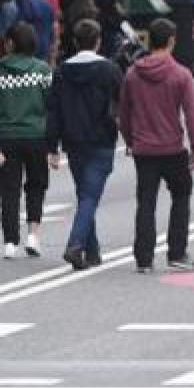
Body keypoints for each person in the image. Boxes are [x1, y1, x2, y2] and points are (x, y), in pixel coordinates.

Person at [118, 18, 194, 273]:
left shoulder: (133, 75)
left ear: (149, 41)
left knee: (146, 201)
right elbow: (191, 114)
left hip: (143, 149)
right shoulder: (181, 75)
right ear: (171, 41)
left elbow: (124, 114)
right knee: (181, 193)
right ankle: (177, 252)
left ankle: (144, 258)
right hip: (172, 148)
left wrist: (130, 141)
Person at [45, 18, 124, 269]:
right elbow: (122, 105)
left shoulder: (61, 71)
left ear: (75, 42)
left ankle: (92, 252)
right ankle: (75, 245)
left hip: (73, 141)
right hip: (101, 140)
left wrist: (51, 146)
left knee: (85, 194)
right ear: (98, 42)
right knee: (90, 195)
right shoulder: (110, 70)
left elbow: (54, 111)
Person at [0, 22, 54, 259]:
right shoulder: (42, 70)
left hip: (6, 138)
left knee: (9, 190)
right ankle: (33, 235)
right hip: (36, 137)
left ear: (10, 43)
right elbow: (52, 106)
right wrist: (53, 144)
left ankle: (10, 242)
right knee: (36, 185)